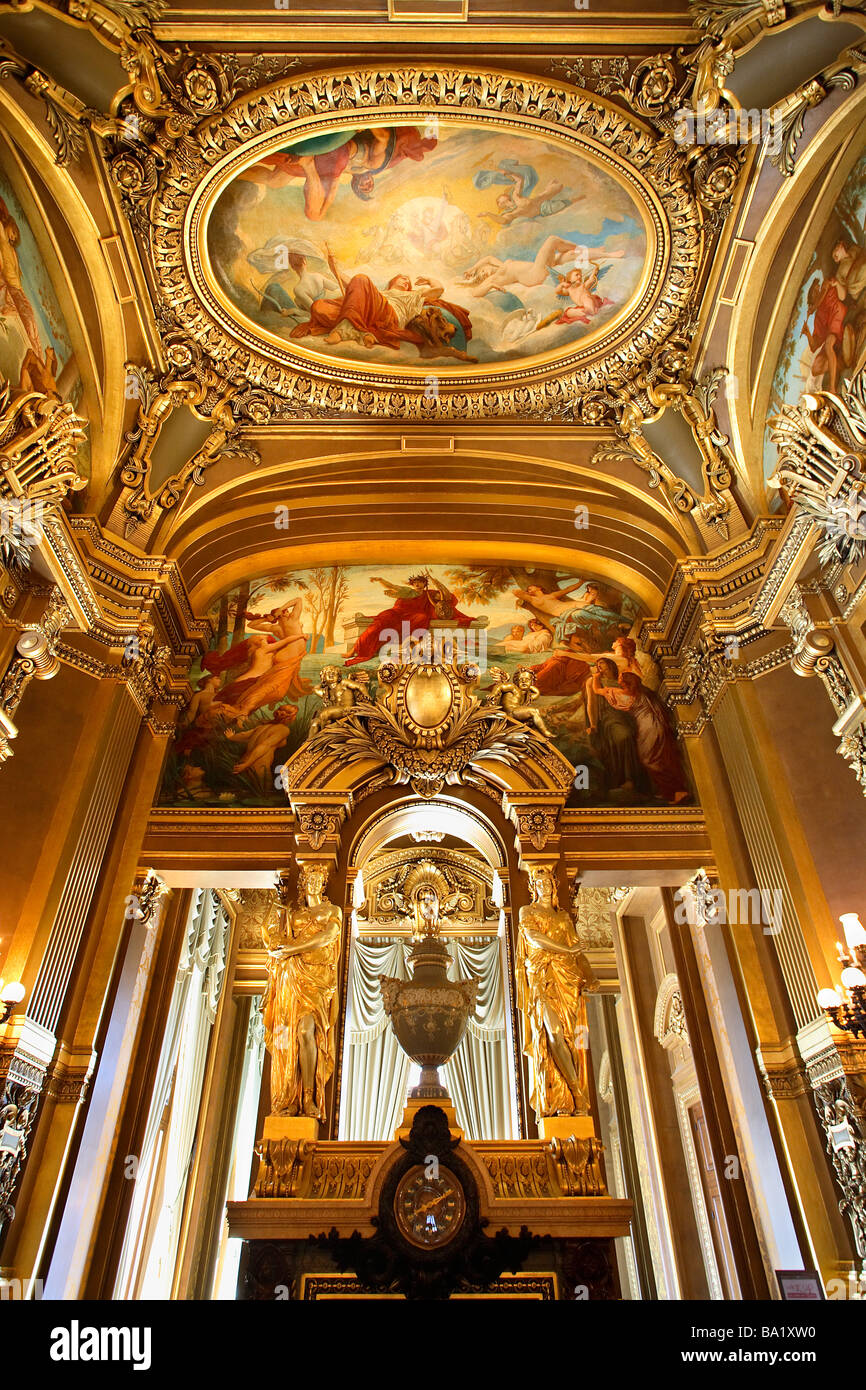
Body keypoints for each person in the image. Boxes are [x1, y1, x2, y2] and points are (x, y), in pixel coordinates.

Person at [261, 865, 342, 1121]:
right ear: (304, 883)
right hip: (291, 976)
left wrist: (292, 948)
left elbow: (327, 937)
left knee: (308, 1031)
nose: (315, 883)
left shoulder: (332, 911)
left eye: (319, 880)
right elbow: (272, 935)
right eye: (311, 879)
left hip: (317, 979)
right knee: (289, 1035)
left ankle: (310, 1096)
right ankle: (291, 1097)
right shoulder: (292, 912)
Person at [237, 126, 437, 221]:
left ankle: (235, 173)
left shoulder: (357, 168)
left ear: (355, 185)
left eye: (363, 188)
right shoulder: (376, 163)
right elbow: (383, 139)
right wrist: (363, 123)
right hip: (335, 155)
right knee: (314, 213)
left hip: (333, 161)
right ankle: (307, 164)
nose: (367, 185)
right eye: (369, 186)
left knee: (276, 180)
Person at [290, 270, 472, 354]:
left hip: (390, 315)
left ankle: (344, 330)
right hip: (371, 312)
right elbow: (351, 283)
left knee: (361, 279)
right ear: (392, 281)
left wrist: (430, 278)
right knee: (319, 306)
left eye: (408, 281)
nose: (406, 282)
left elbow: (438, 290)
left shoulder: (414, 295)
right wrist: (334, 266)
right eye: (403, 278)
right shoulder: (378, 293)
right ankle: (360, 328)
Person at [591, 669, 691, 804]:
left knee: (649, 759)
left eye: (620, 678)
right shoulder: (646, 694)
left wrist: (596, 677)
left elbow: (597, 690)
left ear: (625, 682)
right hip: (658, 726)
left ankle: (676, 791)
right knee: (662, 757)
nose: (618, 679)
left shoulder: (620, 694)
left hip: (648, 728)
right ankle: (671, 791)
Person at [344, 573, 472, 667]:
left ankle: (403, 646)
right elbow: (392, 586)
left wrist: (438, 584)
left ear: (424, 584)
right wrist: (380, 579)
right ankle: (355, 649)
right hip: (397, 613)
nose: (417, 584)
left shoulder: (430, 594)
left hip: (413, 616)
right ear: (412, 584)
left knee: (421, 618)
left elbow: (447, 598)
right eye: (415, 582)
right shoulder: (406, 591)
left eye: (420, 582)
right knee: (379, 622)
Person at [586, 657, 643, 793]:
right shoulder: (594, 681)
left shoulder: (621, 681)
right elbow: (592, 703)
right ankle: (626, 778)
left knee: (637, 739)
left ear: (610, 665)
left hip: (626, 716)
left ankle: (634, 781)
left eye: (602, 663)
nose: (598, 666)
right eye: (597, 663)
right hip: (608, 717)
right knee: (624, 736)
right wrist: (593, 724)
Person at [224, 705, 296, 790]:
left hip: (245, 761)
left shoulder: (264, 727)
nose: (281, 712)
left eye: (285, 711)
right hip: (258, 766)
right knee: (262, 794)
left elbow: (247, 735)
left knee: (246, 793)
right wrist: (247, 764)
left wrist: (232, 737)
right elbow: (264, 745)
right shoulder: (282, 729)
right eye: (281, 709)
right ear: (291, 718)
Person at [529, 631, 595, 696]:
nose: (581, 647)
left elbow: (592, 659)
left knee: (557, 664)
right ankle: (534, 675)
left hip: (576, 668)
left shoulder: (588, 655)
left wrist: (565, 654)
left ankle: (536, 681)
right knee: (555, 662)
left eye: (579, 644)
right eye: (578, 644)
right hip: (566, 662)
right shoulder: (568, 651)